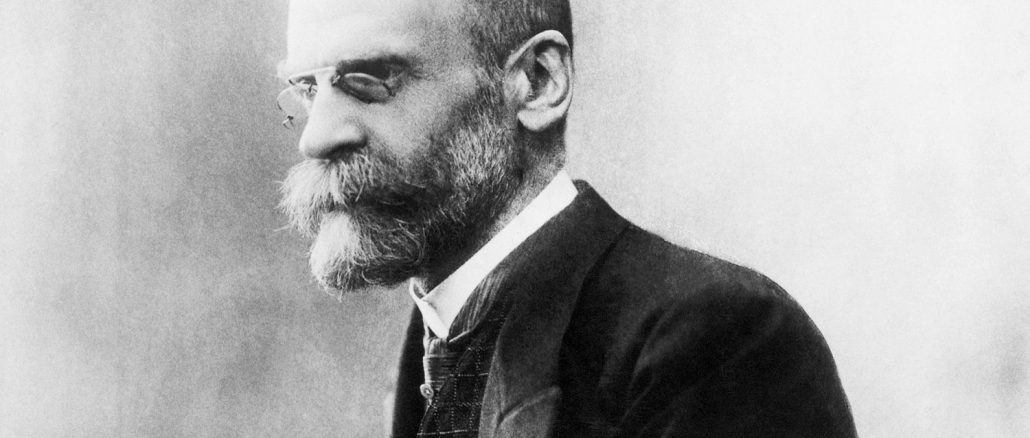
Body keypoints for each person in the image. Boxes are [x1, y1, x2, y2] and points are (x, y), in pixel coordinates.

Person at [275, 0, 858, 436]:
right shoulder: (427, 354)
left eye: (371, 80)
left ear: (538, 82)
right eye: (307, 89)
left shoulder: (718, 342)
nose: (315, 138)